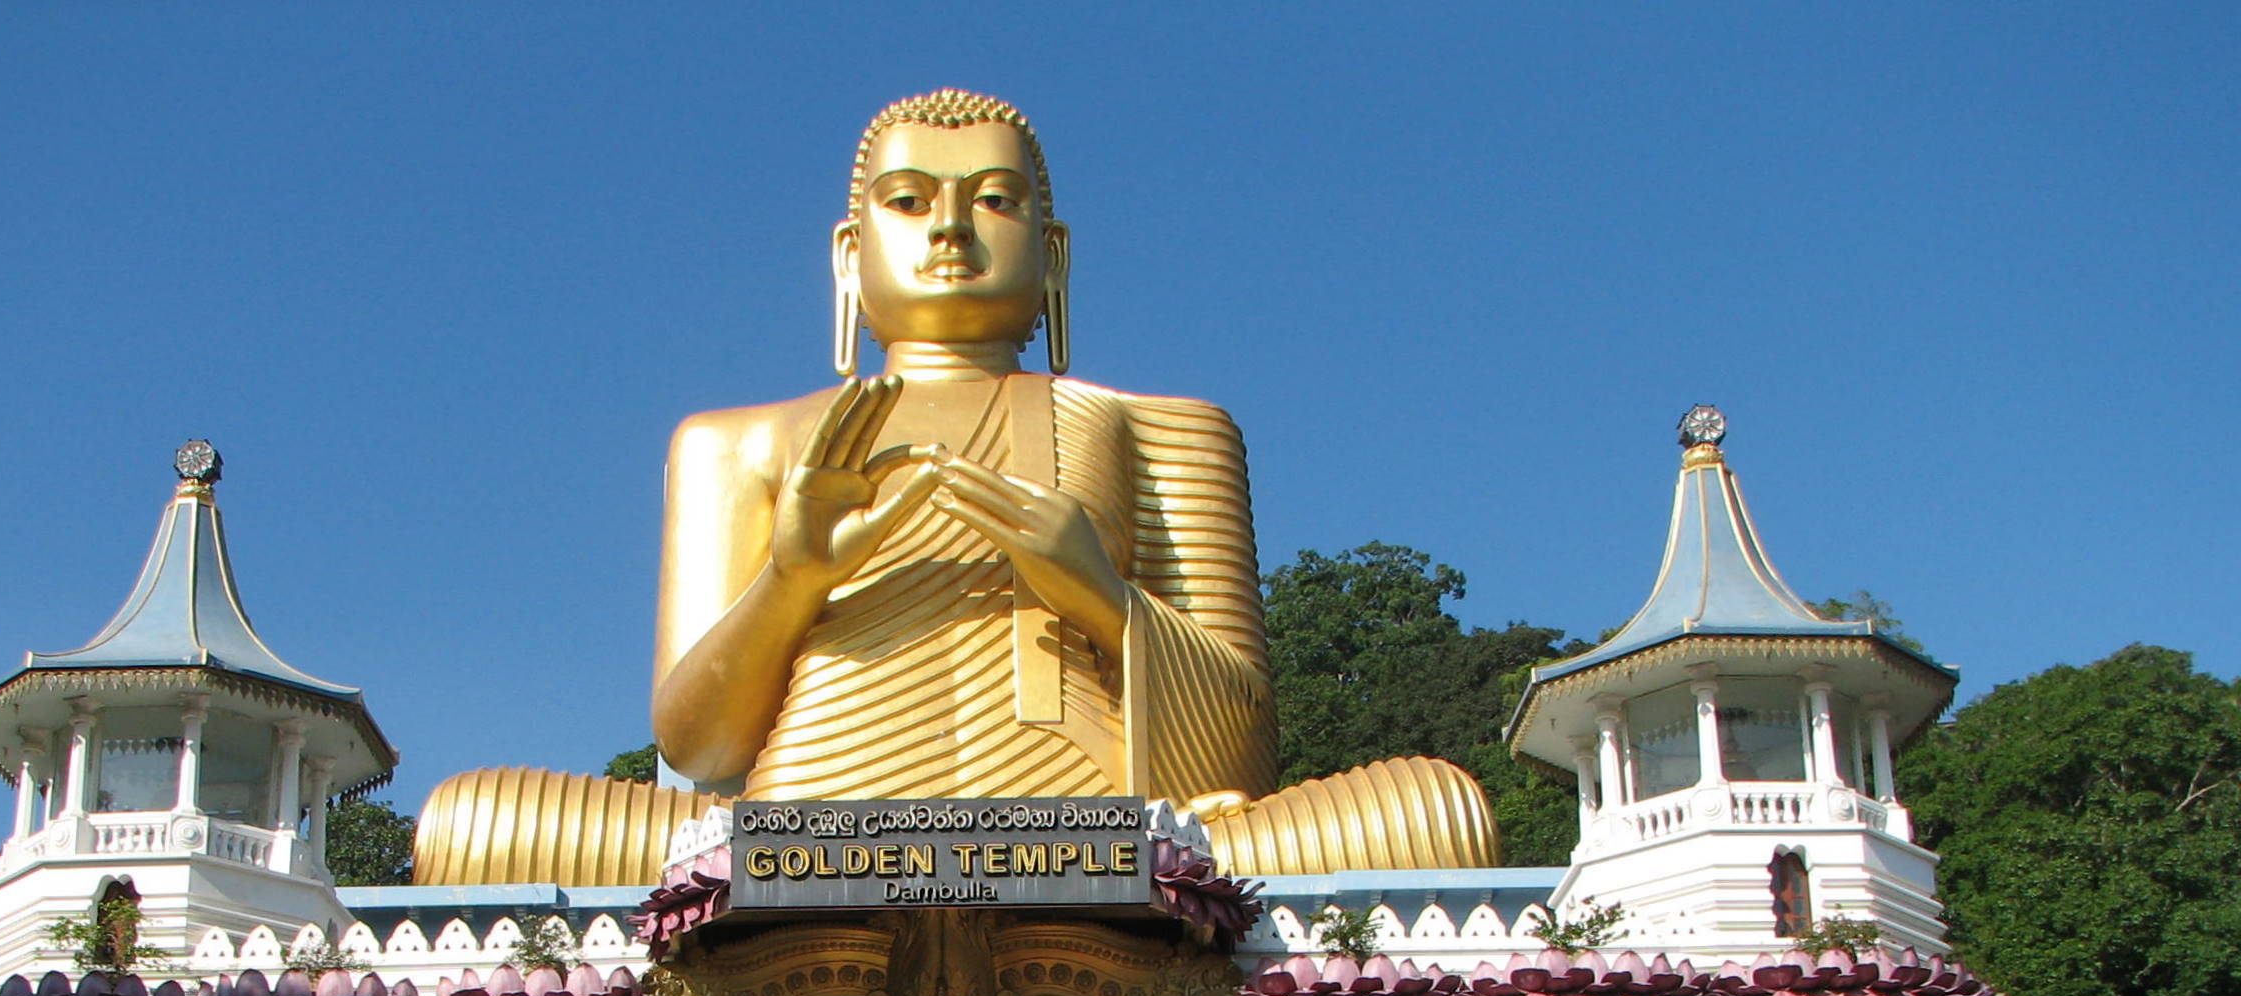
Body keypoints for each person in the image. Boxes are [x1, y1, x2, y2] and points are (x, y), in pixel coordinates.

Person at [412, 88, 1499, 885]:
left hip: (1095, 829)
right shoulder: (734, 441)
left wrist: (1099, 597)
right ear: (848, 255)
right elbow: (701, 751)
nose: (948, 229)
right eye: (907, 200)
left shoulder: (1158, 427)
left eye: (992, 200)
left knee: (1437, 809)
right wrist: (791, 578)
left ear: (1054, 253)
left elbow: (1241, 755)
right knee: (467, 822)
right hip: (795, 832)